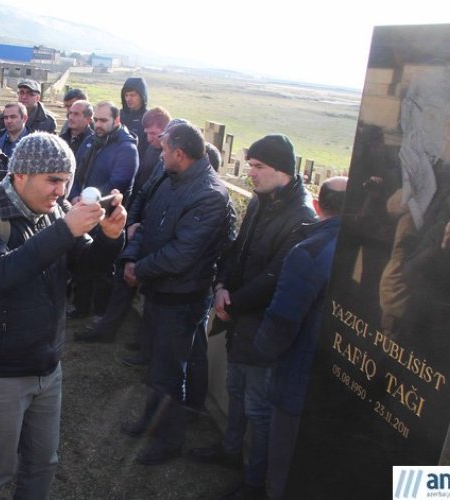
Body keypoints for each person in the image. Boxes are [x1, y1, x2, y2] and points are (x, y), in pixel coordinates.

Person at [0, 132, 126, 499]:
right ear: (20, 175)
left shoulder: (55, 213)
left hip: (48, 366)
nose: (61, 191)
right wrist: (65, 230)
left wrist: (110, 238)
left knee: (42, 464)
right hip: (1, 372)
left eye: (65, 181)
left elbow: (86, 266)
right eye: (52, 180)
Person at [189, 134, 317, 500]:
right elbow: (238, 250)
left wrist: (232, 301)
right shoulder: (263, 202)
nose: (251, 175)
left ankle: (255, 481)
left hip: (262, 325)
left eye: (258, 167)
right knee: (236, 389)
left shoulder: (301, 217)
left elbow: (275, 276)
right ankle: (230, 452)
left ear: (283, 171)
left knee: (258, 408)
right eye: (250, 166)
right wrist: (221, 284)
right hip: (239, 316)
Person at [118, 123, 234, 465]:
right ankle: (151, 422)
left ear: (180, 154)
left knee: (171, 373)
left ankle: (169, 441)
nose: (160, 153)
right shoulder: (171, 179)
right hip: (159, 290)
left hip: (181, 298)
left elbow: (182, 254)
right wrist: (130, 256)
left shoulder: (210, 194)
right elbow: (148, 226)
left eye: (164, 149)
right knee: (157, 365)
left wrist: (140, 269)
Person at [250, 176, 347, 500]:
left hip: (297, 379)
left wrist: (260, 353)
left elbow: (282, 320)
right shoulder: (365, 249)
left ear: (318, 206)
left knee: (283, 468)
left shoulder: (310, 251)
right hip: (335, 381)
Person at [68, 101, 138, 321]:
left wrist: (91, 200)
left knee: (103, 266)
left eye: (104, 120)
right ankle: (80, 306)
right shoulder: (91, 140)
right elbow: (77, 172)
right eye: (96, 120)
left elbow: (119, 182)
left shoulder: (126, 149)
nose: (98, 124)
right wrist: (75, 195)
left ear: (116, 120)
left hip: (107, 215)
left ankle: (99, 312)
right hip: (83, 209)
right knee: (81, 259)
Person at [120, 77, 149, 159]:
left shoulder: (148, 118)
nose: (128, 99)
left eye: (132, 95)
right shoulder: (119, 115)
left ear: (142, 96)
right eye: (126, 95)